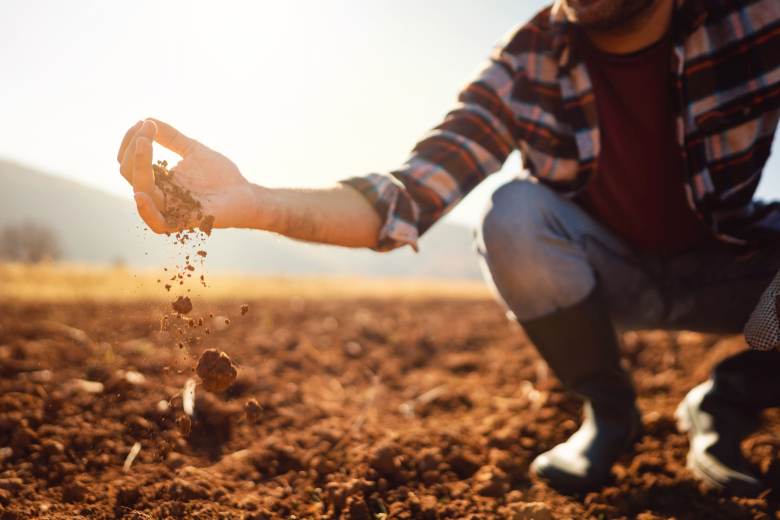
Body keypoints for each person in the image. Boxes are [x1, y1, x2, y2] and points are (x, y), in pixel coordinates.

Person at [117, 0, 780, 496]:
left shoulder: (753, 18)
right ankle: (608, 415)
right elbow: (412, 194)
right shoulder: (526, 60)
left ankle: (729, 402)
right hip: (607, 276)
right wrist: (258, 200)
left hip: (733, 269)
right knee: (514, 215)